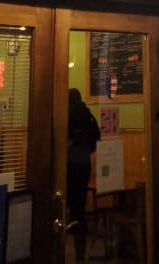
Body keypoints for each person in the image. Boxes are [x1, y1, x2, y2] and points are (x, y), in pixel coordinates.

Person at [67, 88, 101, 263]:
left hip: (70, 163)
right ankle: (80, 248)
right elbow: (96, 137)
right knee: (80, 201)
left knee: (70, 201)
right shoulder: (88, 114)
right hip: (85, 163)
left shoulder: (68, 113)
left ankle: (70, 231)